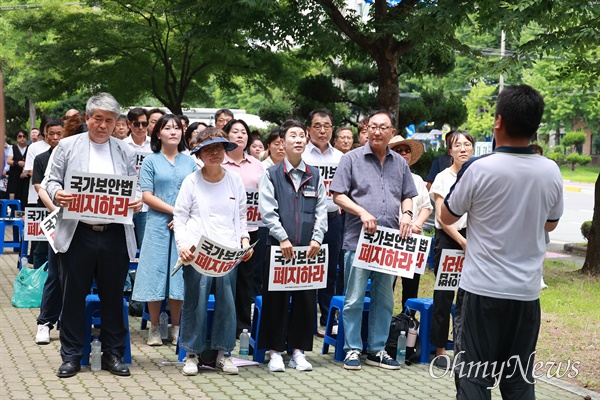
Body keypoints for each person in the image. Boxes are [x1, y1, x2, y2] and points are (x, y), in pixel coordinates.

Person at [440, 84, 563, 399]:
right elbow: (551, 222)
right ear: (535, 125)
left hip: (481, 290)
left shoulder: (479, 169)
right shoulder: (551, 171)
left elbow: (448, 216)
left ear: (498, 121)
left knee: (473, 378)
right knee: (519, 380)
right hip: (525, 293)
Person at [46, 93, 142, 378]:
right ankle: (72, 356)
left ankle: (114, 354)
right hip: (78, 232)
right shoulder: (66, 146)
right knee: (73, 296)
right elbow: (50, 180)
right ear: (87, 118)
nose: (103, 125)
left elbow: (133, 186)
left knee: (114, 295)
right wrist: (56, 193)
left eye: (109, 120)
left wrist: (136, 200)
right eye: (97, 118)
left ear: (116, 124)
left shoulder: (125, 151)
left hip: (114, 233)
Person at [330, 110, 417, 371]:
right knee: (355, 297)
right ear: (366, 130)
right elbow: (337, 195)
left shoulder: (399, 163)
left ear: (392, 132)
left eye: (384, 127)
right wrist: (361, 211)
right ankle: (352, 349)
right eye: (373, 127)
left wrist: (408, 214)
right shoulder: (351, 159)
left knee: (384, 298)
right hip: (358, 240)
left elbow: (408, 195)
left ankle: (377, 350)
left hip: (389, 242)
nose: (378, 131)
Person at [174, 127, 253, 376]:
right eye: (208, 150)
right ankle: (191, 354)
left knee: (227, 303)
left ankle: (223, 353)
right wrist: (183, 246)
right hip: (198, 254)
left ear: (225, 151)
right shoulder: (191, 181)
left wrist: (244, 240)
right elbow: (180, 216)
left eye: (218, 149)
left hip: (227, 255)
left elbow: (241, 216)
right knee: (195, 302)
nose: (214, 154)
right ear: (199, 154)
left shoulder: (234, 180)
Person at [258, 120, 328, 372]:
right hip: (279, 247)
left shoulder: (315, 175)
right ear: (282, 143)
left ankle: (298, 351)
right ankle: (274, 351)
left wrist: (317, 238)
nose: (298, 140)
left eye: (301, 136)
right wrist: (282, 237)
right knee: (275, 299)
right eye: (292, 136)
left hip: (308, 250)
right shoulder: (271, 174)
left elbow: (322, 209)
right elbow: (267, 211)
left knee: (305, 299)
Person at [132, 114, 196, 346]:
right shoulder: (151, 161)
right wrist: (175, 212)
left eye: (177, 128)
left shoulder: (190, 162)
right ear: (157, 133)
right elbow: (147, 196)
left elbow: (195, 196)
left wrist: (181, 217)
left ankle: (177, 326)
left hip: (184, 226)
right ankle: (155, 327)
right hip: (158, 224)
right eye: (167, 128)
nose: (173, 132)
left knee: (179, 273)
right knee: (155, 272)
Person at [34, 114, 85, 345]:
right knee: (56, 274)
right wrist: (57, 208)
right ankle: (45, 322)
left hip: (92, 226)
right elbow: (44, 186)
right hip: (62, 220)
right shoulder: (61, 151)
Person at [428, 130, 474, 369]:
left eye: (467, 144)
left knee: (468, 297)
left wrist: (470, 241)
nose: (463, 149)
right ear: (450, 151)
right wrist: (461, 241)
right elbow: (441, 217)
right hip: (448, 239)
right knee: (444, 296)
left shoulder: (477, 175)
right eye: (458, 145)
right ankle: (440, 350)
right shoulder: (442, 178)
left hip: (472, 239)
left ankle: (463, 350)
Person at [302, 109, 344, 337]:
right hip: (307, 220)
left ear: (332, 129)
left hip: (333, 219)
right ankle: (305, 320)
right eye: (317, 126)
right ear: (308, 130)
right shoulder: (303, 156)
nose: (322, 130)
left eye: (326, 126)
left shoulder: (341, 158)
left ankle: (327, 320)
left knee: (330, 272)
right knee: (307, 269)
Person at [222, 119, 265, 336]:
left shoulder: (257, 165)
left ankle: (243, 325)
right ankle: (224, 322)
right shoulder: (218, 162)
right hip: (224, 229)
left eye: (244, 132)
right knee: (225, 278)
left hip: (252, 228)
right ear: (226, 135)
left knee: (246, 278)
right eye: (235, 131)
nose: (240, 135)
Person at [388, 135, 432, 310]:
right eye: (398, 150)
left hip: (413, 239)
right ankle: (384, 326)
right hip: (390, 237)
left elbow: (426, 207)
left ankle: (408, 324)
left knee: (411, 285)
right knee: (386, 286)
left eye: (407, 150)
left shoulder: (418, 180)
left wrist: (417, 223)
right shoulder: (384, 177)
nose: (404, 154)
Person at [124, 107, 152, 248]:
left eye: (144, 124)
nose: (141, 128)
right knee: (124, 246)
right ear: (129, 124)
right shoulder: (121, 146)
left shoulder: (155, 146)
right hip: (126, 203)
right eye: (136, 124)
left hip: (148, 205)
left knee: (145, 247)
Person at [6, 129, 30, 207]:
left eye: (24, 136)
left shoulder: (30, 148)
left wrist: (26, 172)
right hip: (15, 176)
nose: (22, 138)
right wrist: (17, 163)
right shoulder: (13, 148)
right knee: (13, 195)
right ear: (16, 138)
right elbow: (9, 161)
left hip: (27, 177)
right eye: (20, 136)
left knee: (25, 196)